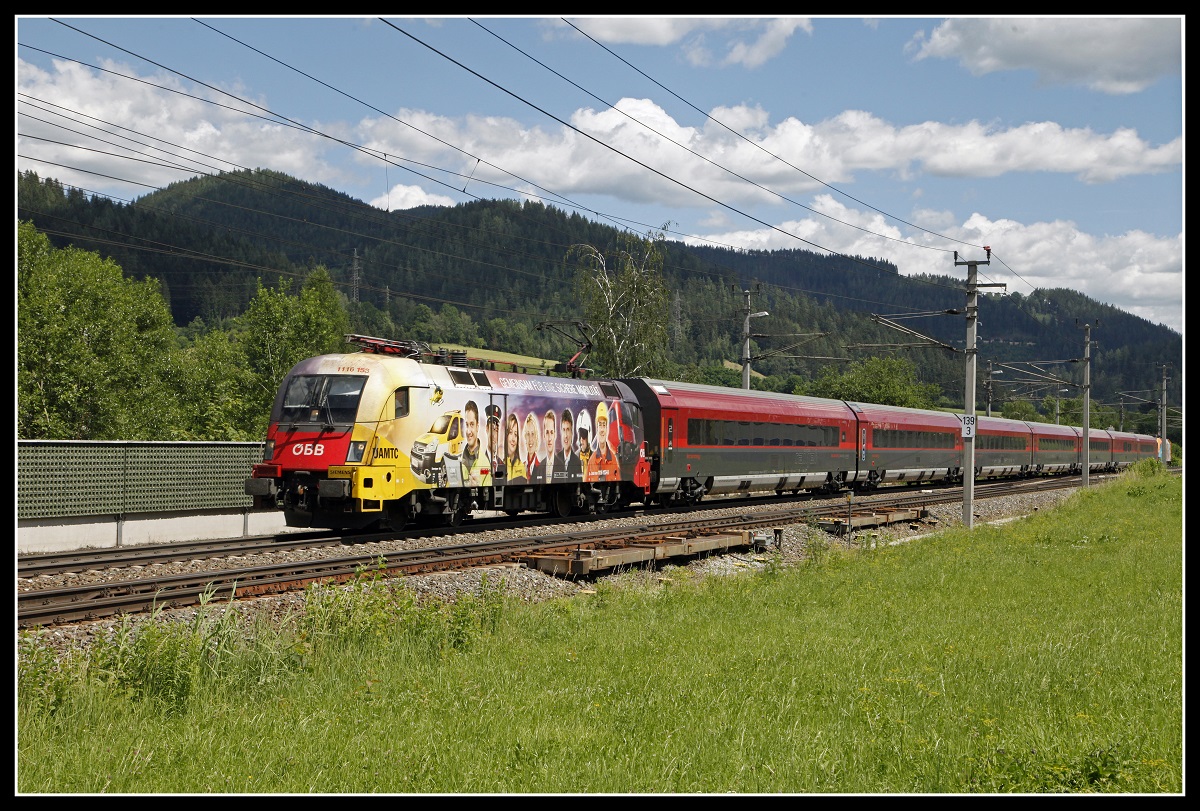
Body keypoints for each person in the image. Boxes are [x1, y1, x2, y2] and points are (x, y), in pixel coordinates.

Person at [585, 400, 621, 482]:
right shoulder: (592, 460)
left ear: (607, 429)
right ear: (597, 429)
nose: (602, 430)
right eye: (600, 425)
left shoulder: (613, 460)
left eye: (604, 425)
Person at [460, 400, 491, 486]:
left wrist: (478, 487)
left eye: (472, 424)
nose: (468, 431)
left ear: (477, 427)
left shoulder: (485, 464)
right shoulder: (459, 460)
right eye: (467, 425)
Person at [553, 408, 582, 481]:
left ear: (572, 433)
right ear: (561, 432)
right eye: (564, 430)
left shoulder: (577, 462)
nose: (565, 435)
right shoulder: (556, 460)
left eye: (568, 430)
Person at [504, 412, 527, 485]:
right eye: (510, 433)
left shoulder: (521, 466)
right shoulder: (500, 465)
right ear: (506, 436)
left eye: (516, 434)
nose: (513, 439)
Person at [524, 412, 544, 484]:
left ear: (536, 437)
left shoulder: (541, 468)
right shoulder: (521, 467)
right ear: (525, 437)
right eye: (528, 434)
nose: (530, 439)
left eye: (533, 434)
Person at [485, 404, 504, 481]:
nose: (494, 436)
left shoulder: (502, 465)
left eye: (496, 430)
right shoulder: (480, 460)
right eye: (492, 429)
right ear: (487, 429)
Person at [542, 409, 558, 482]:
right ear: (544, 435)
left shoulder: (562, 466)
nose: (549, 438)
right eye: (547, 432)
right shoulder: (539, 467)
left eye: (551, 432)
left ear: (555, 434)